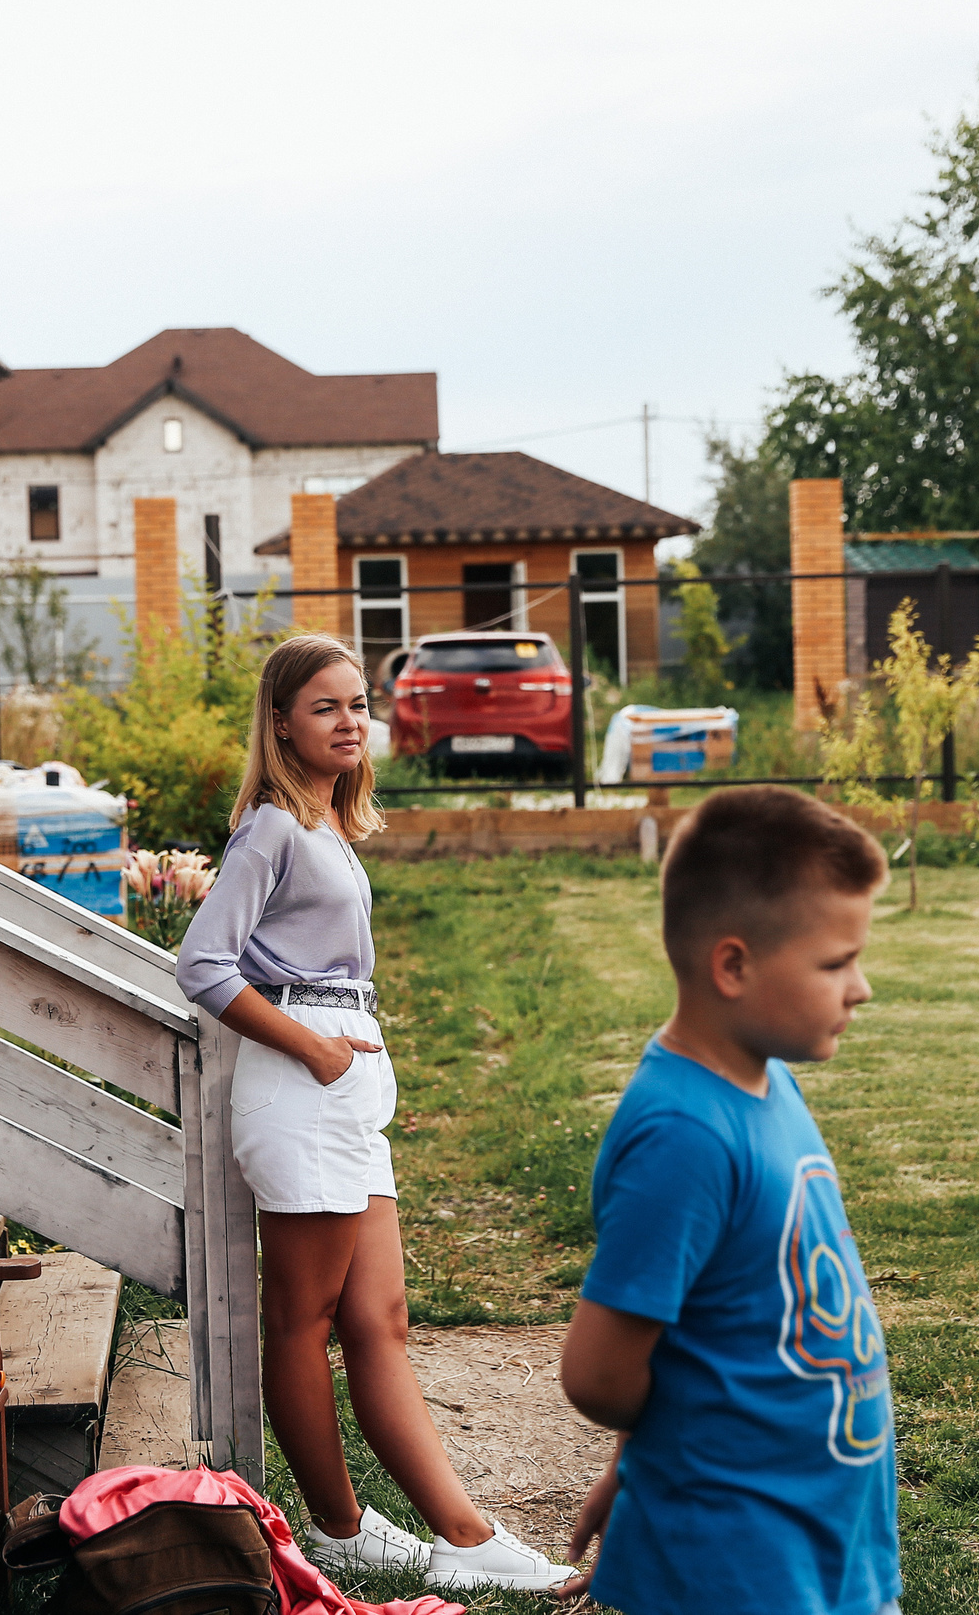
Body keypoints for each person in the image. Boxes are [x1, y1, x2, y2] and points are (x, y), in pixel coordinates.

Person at [175, 632, 567, 1593]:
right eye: (325, 706)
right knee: (301, 1319)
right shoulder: (271, 827)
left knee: (380, 1319)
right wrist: (310, 1047)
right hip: (301, 1082)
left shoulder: (324, 827)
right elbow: (202, 963)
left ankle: (444, 1536)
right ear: (280, 722)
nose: (351, 721)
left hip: (345, 1090)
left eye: (358, 703)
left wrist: (339, 1056)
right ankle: (366, 1529)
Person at [557, 784, 899, 1615]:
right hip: (738, 1558)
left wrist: (628, 1465)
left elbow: (686, 1330)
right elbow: (599, 1370)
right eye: (835, 962)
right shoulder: (685, 1136)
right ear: (734, 964)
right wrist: (658, 1470)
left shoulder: (762, 1080)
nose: (862, 989)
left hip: (817, 1534)